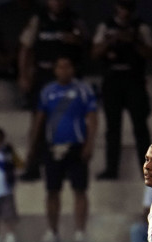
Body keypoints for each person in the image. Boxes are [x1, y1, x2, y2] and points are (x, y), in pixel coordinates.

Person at [27, 55, 97, 242]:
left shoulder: (83, 90)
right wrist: (33, 145)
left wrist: (89, 144)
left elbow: (92, 118)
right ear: (55, 70)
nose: (64, 70)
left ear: (73, 69)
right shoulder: (47, 91)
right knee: (52, 191)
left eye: (67, 66)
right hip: (53, 148)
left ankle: (80, 232)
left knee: (80, 190)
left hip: (77, 147)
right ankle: (52, 232)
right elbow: (39, 119)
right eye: (60, 67)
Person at [17, 0, 90, 180]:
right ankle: (33, 166)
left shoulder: (73, 19)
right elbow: (25, 47)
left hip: (68, 79)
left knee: (69, 121)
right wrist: (24, 75)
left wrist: (77, 40)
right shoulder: (38, 19)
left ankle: (69, 166)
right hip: (43, 75)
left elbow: (89, 44)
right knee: (38, 123)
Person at [92, 0, 152, 180]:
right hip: (112, 80)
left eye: (128, 8)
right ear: (116, 7)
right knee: (113, 128)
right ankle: (111, 169)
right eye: (122, 7)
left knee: (140, 127)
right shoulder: (105, 26)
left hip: (134, 80)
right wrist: (110, 41)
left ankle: (147, 170)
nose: (124, 12)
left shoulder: (141, 27)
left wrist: (133, 41)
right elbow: (94, 53)